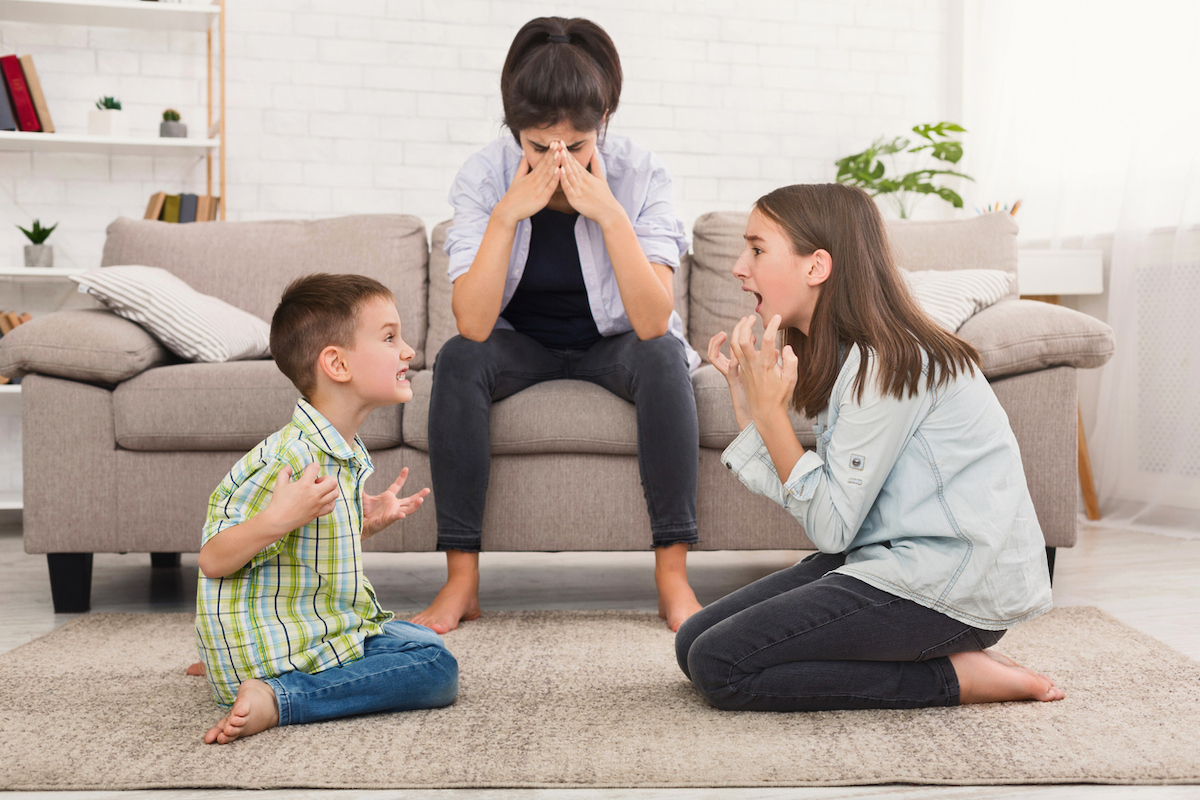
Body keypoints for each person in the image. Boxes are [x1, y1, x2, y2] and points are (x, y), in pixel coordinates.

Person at [675, 183, 1066, 711]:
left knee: (719, 666)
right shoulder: (850, 356)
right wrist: (752, 408)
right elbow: (831, 509)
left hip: (946, 586)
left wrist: (771, 417)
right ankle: (935, 660)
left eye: (757, 249)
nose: (739, 268)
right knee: (692, 642)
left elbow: (832, 527)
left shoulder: (887, 362)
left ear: (817, 267)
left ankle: (954, 677)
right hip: (887, 558)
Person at [412, 16, 703, 634]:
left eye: (576, 145)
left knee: (664, 356)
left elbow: (653, 321)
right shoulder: (484, 176)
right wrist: (506, 216)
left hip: (615, 345)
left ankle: (673, 579)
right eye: (539, 147)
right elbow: (474, 323)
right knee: (458, 358)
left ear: (604, 123)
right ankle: (461, 583)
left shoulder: (642, 174)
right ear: (515, 130)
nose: (558, 162)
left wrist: (610, 215)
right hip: (522, 346)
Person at [194, 274, 458, 744]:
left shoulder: (337, 449)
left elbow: (300, 550)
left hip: (309, 628)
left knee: (422, 640)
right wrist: (278, 518)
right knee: (436, 668)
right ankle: (278, 696)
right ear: (337, 364)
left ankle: (244, 663)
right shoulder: (289, 460)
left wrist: (362, 524)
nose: (408, 351)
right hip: (288, 649)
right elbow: (213, 558)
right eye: (390, 338)